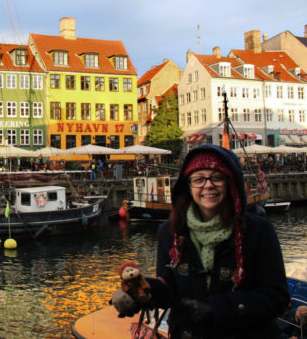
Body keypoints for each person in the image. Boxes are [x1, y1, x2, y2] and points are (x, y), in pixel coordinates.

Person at [116, 144, 290, 338]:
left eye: (217, 177)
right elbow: (172, 290)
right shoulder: (169, 231)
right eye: (198, 179)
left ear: (230, 182)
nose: (208, 185)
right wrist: (144, 291)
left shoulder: (258, 230)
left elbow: (277, 298)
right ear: (188, 187)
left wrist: (218, 308)